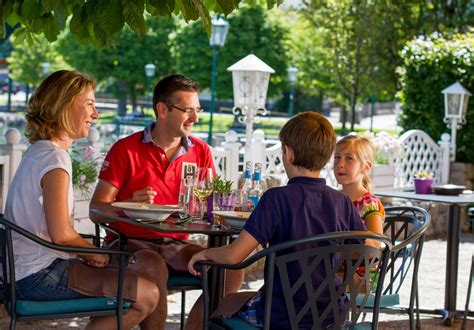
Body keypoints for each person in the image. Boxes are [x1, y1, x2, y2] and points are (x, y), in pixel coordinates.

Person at [4, 70, 160, 329]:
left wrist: (90, 253)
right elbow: (62, 235)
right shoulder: (54, 160)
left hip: (23, 271)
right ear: (64, 105)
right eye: (89, 104)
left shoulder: (38, 152)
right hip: (38, 276)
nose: (96, 114)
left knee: (130, 281)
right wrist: (94, 254)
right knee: (147, 294)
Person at [90, 74, 243, 329]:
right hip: (129, 244)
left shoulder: (201, 151)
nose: (195, 118)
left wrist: (227, 204)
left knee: (231, 268)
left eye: (197, 110)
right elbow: (96, 210)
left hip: (176, 245)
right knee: (153, 264)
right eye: (187, 110)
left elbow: (210, 205)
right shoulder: (125, 149)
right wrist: (126, 204)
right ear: (163, 109)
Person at [188, 112, 367, 329]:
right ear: (328, 156)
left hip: (282, 316)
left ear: (288, 153)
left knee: (224, 305)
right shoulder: (343, 202)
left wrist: (205, 253)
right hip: (332, 315)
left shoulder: (276, 198)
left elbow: (234, 256)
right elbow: (362, 253)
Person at [333, 134, 385, 246]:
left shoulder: (368, 203)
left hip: (358, 263)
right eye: (337, 157)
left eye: (349, 158)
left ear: (365, 167)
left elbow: (375, 246)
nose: (340, 164)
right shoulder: (333, 198)